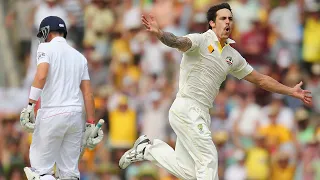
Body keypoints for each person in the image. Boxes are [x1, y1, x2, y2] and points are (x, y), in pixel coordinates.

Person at [118, 3, 313, 180]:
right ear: (212, 23)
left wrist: (290, 91)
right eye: (223, 18)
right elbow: (178, 41)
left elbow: (260, 79)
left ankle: (148, 150)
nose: (227, 22)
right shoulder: (200, 41)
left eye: (230, 18)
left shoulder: (232, 56)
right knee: (209, 157)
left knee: (191, 172)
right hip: (187, 106)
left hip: (201, 113)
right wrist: (160, 34)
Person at [19, 16, 104, 180]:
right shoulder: (80, 57)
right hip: (75, 117)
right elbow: (88, 93)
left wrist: (30, 104)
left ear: (46, 32)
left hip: (52, 113)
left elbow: (41, 75)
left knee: (40, 171)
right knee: (69, 174)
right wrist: (91, 124)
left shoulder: (45, 48)